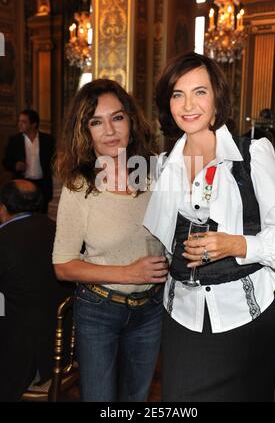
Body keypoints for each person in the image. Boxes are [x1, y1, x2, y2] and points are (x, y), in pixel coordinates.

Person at [143, 51, 275, 402]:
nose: (187, 104)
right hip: (181, 321)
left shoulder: (253, 153)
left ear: (217, 97)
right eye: (177, 94)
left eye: (199, 92)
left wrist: (237, 245)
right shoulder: (164, 165)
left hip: (246, 321)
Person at [52, 78, 168, 402]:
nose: (110, 130)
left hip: (151, 309)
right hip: (99, 310)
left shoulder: (155, 174)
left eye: (117, 117)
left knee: (136, 399)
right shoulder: (79, 186)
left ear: (131, 120)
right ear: (85, 131)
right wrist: (128, 273)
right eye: (96, 122)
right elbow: (62, 265)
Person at [0, 180, 72, 402]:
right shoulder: (57, 230)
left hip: (22, 356)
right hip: (63, 345)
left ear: (3, 209)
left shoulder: (5, 239)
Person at [2, 109, 55, 213]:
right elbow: (6, 162)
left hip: (42, 184)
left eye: (24, 122)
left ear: (34, 124)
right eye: (19, 121)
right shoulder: (14, 140)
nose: (19, 124)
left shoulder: (48, 140)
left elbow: (54, 160)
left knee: (41, 214)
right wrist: (15, 165)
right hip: (22, 183)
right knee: (22, 213)